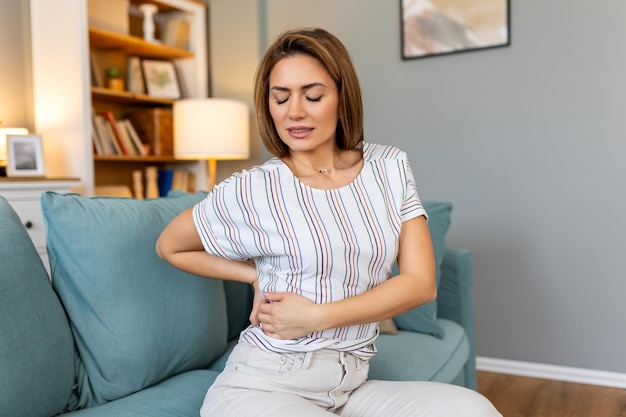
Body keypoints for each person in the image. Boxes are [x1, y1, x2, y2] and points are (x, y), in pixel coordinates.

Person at [156, 27, 501, 417]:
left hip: (349, 386)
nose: (294, 111)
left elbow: (420, 284)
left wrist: (317, 316)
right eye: (280, 97)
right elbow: (169, 245)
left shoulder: (389, 167)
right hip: (262, 387)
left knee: (474, 410)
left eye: (313, 95)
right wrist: (254, 277)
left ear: (341, 96)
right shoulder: (254, 188)